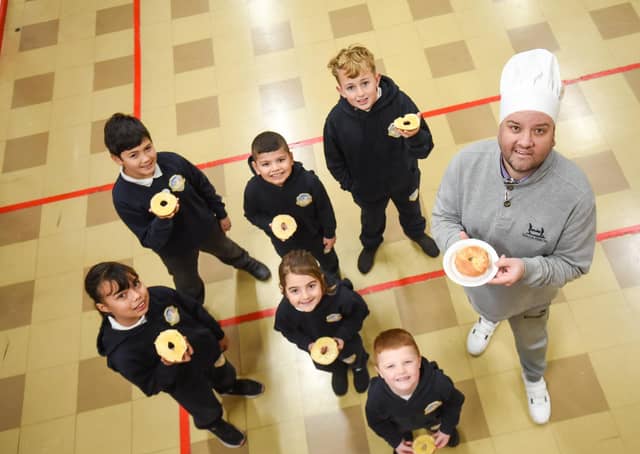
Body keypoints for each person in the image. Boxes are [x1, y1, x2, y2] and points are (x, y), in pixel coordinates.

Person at [431, 49, 596, 424]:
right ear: (500, 126)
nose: (525, 142)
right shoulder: (466, 164)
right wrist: (457, 246)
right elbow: (442, 216)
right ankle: (488, 319)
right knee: (486, 306)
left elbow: (574, 263)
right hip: (480, 289)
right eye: (515, 127)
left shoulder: (575, 193)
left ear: (554, 133)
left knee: (533, 341)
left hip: (531, 299)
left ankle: (533, 377)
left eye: (540, 130)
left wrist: (527, 269)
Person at [84, 261, 264, 447]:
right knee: (205, 407)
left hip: (208, 352)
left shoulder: (159, 295)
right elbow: (150, 385)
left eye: (136, 284)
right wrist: (167, 365)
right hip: (184, 383)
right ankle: (215, 424)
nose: (137, 296)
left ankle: (229, 386)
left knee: (224, 373)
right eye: (122, 295)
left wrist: (217, 335)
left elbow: (195, 310)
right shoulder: (122, 353)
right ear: (104, 307)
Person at [104, 113, 270, 304]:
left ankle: (247, 264)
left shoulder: (172, 161)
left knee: (229, 249)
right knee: (187, 284)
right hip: (174, 250)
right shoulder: (123, 197)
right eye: (134, 155)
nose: (146, 159)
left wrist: (220, 213)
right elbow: (150, 240)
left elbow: (202, 184)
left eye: (148, 148)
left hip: (205, 227)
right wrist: (163, 219)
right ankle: (195, 310)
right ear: (117, 159)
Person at [323, 44, 439, 274]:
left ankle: (416, 232)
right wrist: (351, 185)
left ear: (376, 79)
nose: (360, 93)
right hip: (367, 189)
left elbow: (425, 148)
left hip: (404, 179)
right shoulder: (336, 122)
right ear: (340, 90)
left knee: (412, 209)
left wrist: (415, 137)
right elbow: (334, 161)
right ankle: (371, 244)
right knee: (371, 219)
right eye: (351, 87)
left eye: (365, 83)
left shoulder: (400, 103)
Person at [244, 131, 340, 283]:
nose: (275, 168)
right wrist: (268, 224)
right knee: (297, 267)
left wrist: (329, 233)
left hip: (316, 237)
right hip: (284, 244)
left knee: (328, 261)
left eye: (281, 160)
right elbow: (252, 214)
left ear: (291, 158)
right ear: (256, 167)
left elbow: (324, 208)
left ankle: (333, 277)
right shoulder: (253, 189)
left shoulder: (309, 181)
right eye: (266, 164)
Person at [365, 328, 464, 454]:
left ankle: (438, 430)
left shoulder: (438, 383)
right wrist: (396, 441)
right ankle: (404, 442)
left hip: (433, 418)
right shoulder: (376, 398)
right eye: (390, 366)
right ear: (379, 372)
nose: (401, 371)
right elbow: (376, 422)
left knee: (438, 426)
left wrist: (447, 428)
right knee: (402, 436)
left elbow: (455, 401)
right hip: (400, 426)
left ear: (418, 361)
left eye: (407, 362)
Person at [275, 250, 370, 395]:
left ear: (321, 279)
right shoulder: (285, 313)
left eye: (311, 286)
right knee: (328, 364)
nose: (305, 296)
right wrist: (307, 344)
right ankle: (338, 371)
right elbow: (289, 332)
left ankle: (358, 368)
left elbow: (359, 312)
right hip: (317, 348)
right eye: (295, 290)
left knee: (354, 356)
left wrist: (342, 335)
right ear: (283, 290)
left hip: (347, 342)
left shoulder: (341, 296)